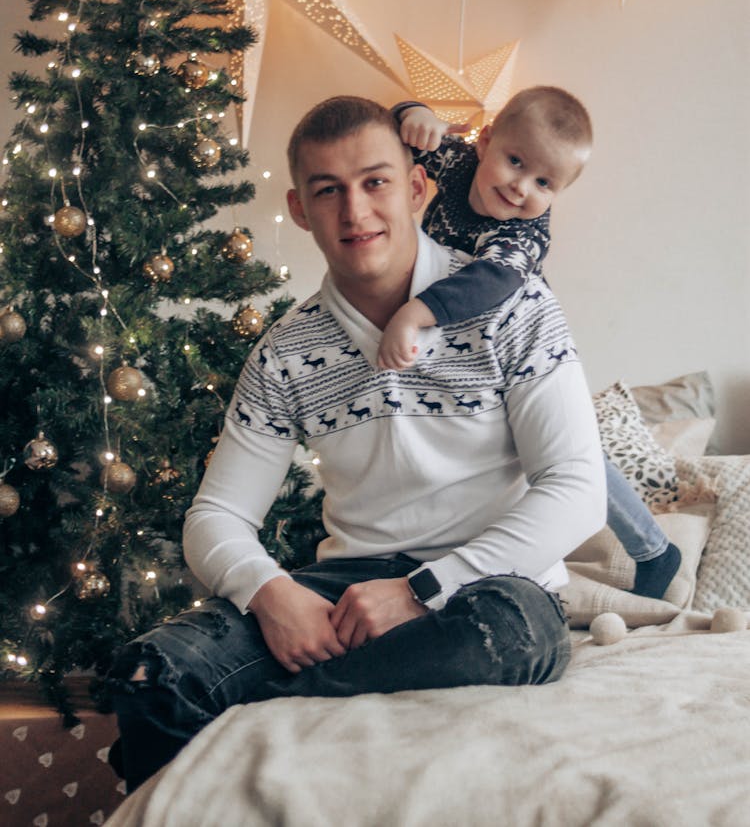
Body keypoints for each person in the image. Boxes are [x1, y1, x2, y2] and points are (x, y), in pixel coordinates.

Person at [106, 95, 606, 793]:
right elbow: (215, 516)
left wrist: (421, 591)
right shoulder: (285, 351)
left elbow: (579, 490)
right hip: (344, 591)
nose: (355, 211)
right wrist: (273, 593)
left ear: (417, 185)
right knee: (154, 673)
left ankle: (262, 719)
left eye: (375, 181)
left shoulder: (516, 306)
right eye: (328, 190)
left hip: (488, 591)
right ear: (301, 208)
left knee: (509, 634)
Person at [379, 89, 681, 601]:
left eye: (544, 182)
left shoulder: (525, 232)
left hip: (523, 348)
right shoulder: (453, 162)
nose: (521, 188)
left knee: (570, 452)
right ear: (486, 140)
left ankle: (653, 549)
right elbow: (396, 128)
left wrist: (413, 313)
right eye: (515, 162)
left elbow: (489, 281)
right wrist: (415, 114)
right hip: (455, 344)